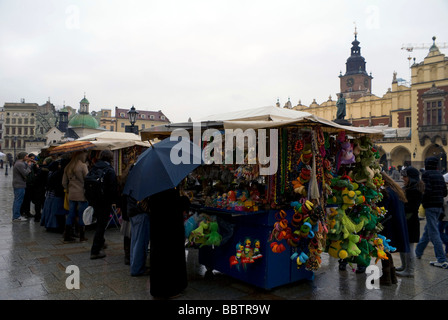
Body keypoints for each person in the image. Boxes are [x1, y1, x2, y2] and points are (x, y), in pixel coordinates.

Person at [147, 188, 190, 298]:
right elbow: (175, 206)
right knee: (169, 260)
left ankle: (158, 289)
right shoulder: (169, 191)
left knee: (158, 260)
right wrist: (184, 198)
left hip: (157, 232)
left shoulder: (153, 191)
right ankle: (169, 291)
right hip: (170, 233)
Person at [415, 156, 448, 269]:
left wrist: (423, 201)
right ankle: (418, 252)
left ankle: (442, 259)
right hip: (439, 205)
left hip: (430, 206)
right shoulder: (440, 175)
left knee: (433, 232)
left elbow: (426, 190)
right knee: (428, 231)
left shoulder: (426, 174)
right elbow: (444, 192)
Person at [378, 171, 410, 285]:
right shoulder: (395, 189)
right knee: (387, 250)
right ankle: (392, 276)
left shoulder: (385, 192)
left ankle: (386, 277)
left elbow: (382, 211)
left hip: (388, 225)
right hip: (396, 223)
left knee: (383, 248)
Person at [89, 149, 120, 260]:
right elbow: (113, 188)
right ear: (110, 158)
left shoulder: (95, 167)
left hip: (94, 200)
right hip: (105, 201)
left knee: (99, 223)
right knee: (101, 225)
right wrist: (116, 201)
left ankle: (101, 242)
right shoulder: (109, 170)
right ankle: (95, 251)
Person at [397, 166, 424, 277]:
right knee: (404, 244)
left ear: (411, 177)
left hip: (410, 220)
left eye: (405, 176)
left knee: (409, 246)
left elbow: (411, 207)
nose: (403, 178)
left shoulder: (414, 190)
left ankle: (410, 270)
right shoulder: (410, 187)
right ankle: (404, 266)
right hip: (407, 220)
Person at [62, 151, 89, 243]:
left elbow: (64, 183)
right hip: (82, 193)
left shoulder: (68, 166)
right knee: (82, 215)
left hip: (71, 194)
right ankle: (82, 236)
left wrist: (68, 189)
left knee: (71, 214)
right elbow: (87, 179)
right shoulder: (82, 166)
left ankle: (67, 236)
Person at [41, 156, 70, 232]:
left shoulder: (54, 172)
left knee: (53, 210)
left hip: (51, 193)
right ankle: (56, 226)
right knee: (58, 211)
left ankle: (51, 225)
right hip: (57, 194)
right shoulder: (60, 173)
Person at [12, 152, 32, 222]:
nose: (27, 157)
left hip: (19, 184)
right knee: (18, 201)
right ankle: (16, 216)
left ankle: (16, 215)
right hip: (19, 184)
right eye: (26, 156)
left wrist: (27, 163)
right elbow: (25, 173)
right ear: (23, 157)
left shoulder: (19, 163)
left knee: (17, 200)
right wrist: (29, 166)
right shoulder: (19, 164)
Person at [20, 153, 37, 218]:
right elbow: (25, 173)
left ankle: (25, 211)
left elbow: (35, 172)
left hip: (31, 183)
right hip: (27, 183)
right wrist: (29, 165)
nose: (32, 160)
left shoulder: (32, 164)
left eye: (33, 159)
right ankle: (25, 212)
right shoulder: (25, 164)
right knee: (26, 199)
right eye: (31, 158)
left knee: (28, 199)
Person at [441, 173, 448, 257]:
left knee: (439, 232)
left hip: (445, 215)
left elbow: (444, 202)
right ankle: (447, 252)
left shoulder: (445, 188)